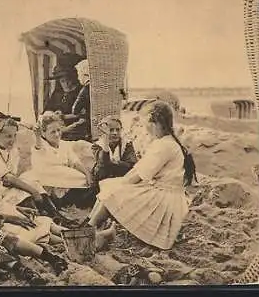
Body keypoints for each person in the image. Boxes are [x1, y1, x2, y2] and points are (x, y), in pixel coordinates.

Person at [81, 101, 198, 250]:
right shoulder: (167, 142)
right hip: (164, 192)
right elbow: (137, 170)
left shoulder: (164, 146)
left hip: (164, 199)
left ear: (154, 123)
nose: (145, 129)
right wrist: (119, 182)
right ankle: (90, 224)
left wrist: (119, 185)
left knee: (113, 191)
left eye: (145, 125)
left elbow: (138, 176)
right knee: (112, 187)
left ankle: (88, 228)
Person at [0, 112, 78, 228]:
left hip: (8, 188)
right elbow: (8, 178)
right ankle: (48, 219)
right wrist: (33, 191)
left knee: (31, 178)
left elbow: (13, 176)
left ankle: (55, 216)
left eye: (15, 136)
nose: (12, 140)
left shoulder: (13, 151)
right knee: (28, 189)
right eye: (8, 136)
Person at [19, 111, 92, 208]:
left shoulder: (64, 145)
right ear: (44, 133)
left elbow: (75, 162)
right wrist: (37, 136)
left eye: (58, 130)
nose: (57, 134)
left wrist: (87, 174)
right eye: (53, 132)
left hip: (61, 175)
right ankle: (53, 201)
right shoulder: (40, 144)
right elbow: (38, 147)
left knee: (82, 178)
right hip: (45, 175)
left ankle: (64, 200)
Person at [43, 54, 89, 141]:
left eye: (69, 79)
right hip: (54, 133)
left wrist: (63, 117)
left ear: (75, 78)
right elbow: (47, 110)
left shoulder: (81, 93)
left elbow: (84, 116)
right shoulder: (57, 93)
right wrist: (52, 114)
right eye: (62, 81)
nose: (66, 84)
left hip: (74, 135)